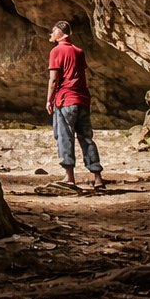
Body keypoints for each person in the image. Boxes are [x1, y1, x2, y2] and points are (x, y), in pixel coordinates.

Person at [46, 20, 106, 189]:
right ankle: (97, 178)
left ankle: (69, 178)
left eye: (53, 31)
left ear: (60, 32)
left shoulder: (56, 51)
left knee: (64, 137)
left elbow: (53, 79)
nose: (51, 34)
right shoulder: (79, 52)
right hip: (83, 100)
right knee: (86, 138)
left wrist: (49, 100)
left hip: (65, 100)